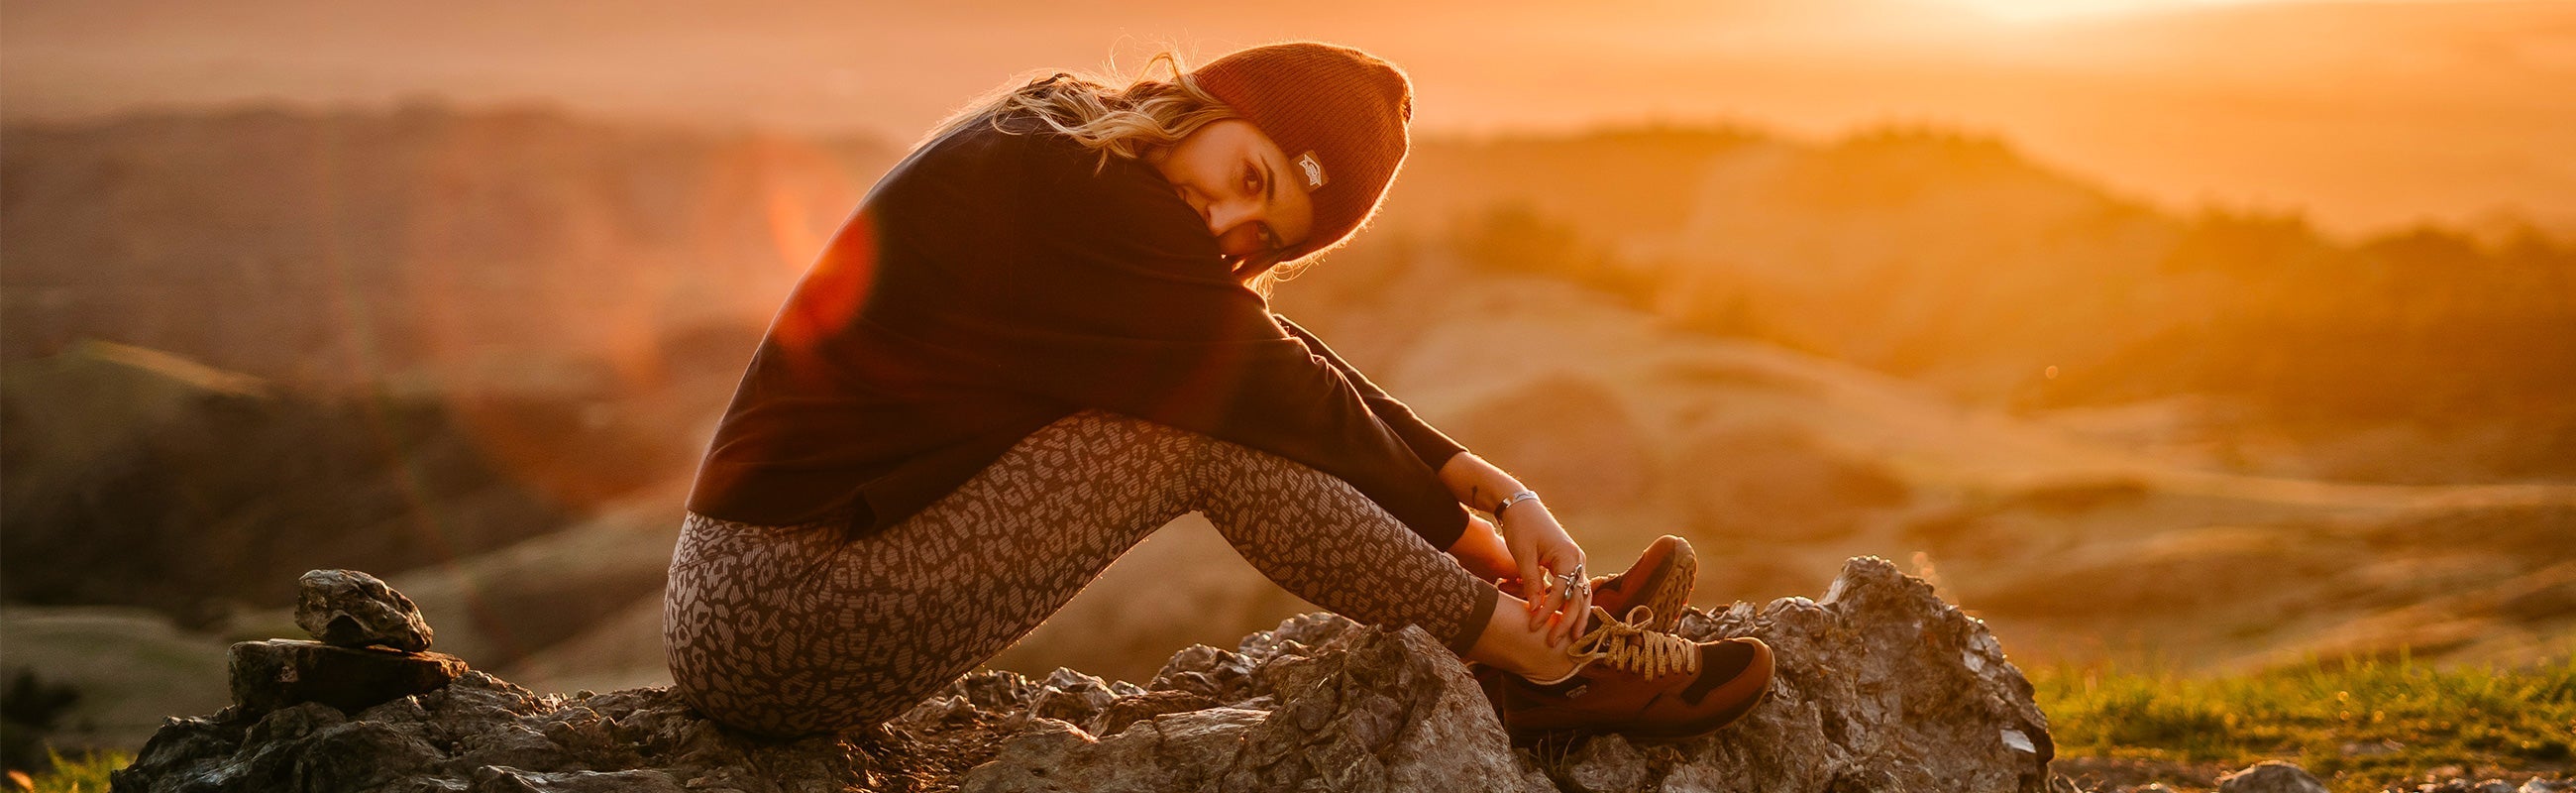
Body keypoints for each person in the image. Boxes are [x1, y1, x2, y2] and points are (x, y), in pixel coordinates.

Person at [663, 41, 1771, 741]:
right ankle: (1540, 660)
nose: (1227, 226)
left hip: (773, 589)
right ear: (1215, 101)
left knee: (1212, 408)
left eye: (1262, 229)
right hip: (775, 614)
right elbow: (1269, 389)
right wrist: (1490, 539)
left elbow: (1265, 349)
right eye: (1247, 179)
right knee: (1196, 437)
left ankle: (1543, 637)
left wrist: (1480, 483)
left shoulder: (1062, 142)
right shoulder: (1077, 192)